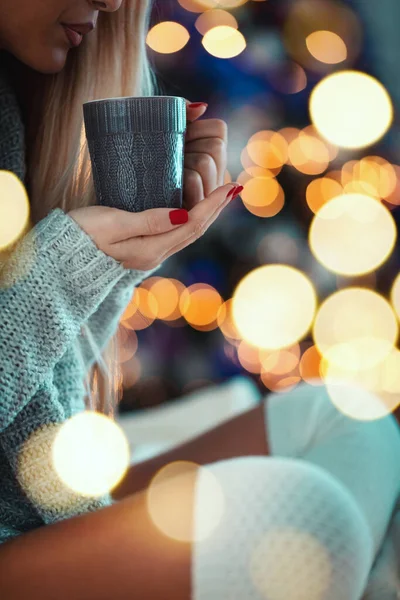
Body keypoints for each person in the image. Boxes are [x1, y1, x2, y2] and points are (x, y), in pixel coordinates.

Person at [0, 0, 399, 598]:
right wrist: (71, 267)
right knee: (308, 520)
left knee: (344, 421)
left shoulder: (19, 100)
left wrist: (123, 255)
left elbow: (43, 391)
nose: (113, 3)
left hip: (38, 494)